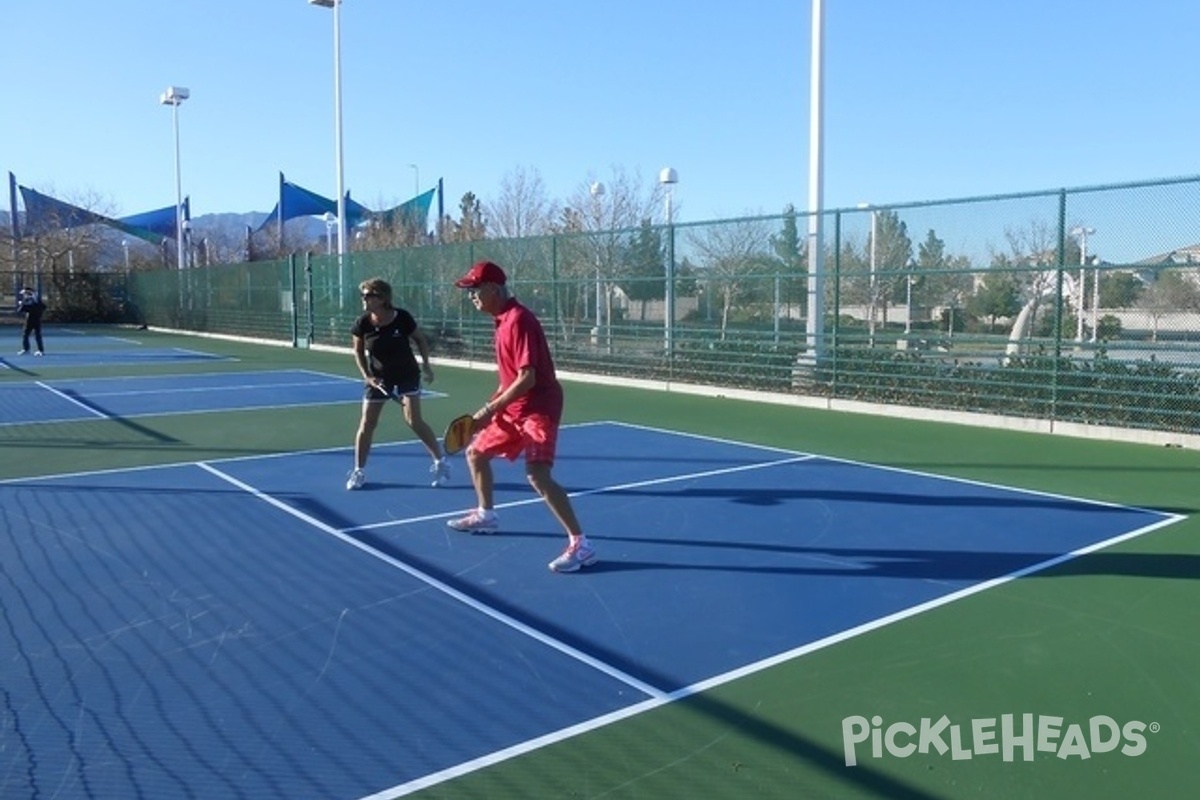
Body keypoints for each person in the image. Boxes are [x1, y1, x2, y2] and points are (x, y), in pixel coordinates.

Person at [446, 260, 597, 573]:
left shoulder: (519, 320)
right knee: (476, 453)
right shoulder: (501, 321)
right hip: (514, 408)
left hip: (539, 407)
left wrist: (490, 410)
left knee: (537, 474)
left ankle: (581, 545)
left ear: (494, 289)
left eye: (475, 289)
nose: (471, 295)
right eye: (470, 290)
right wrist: (489, 409)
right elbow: (509, 378)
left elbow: (527, 378)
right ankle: (486, 515)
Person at [347, 277, 449, 490]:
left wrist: (427, 366)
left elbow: (420, 340)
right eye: (362, 295)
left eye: (368, 295)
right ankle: (358, 471)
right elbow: (358, 351)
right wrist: (367, 375)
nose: (363, 299)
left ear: (382, 298)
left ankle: (440, 462)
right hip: (379, 378)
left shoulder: (401, 318)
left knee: (413, 420)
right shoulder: (362, 323)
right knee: (367, 424)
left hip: (407, 374)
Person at [16, 287, 46, 356]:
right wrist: (23, 304)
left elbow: (43, 307)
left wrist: (26, 304)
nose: (25, 295)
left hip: (36, 320)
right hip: (29, 321)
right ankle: (26, 349)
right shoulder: (27, 301)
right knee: (25, 335)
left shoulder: (36, 301)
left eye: (26, 293)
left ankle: (40, 350)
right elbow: (20, 310)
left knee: (37, 335)